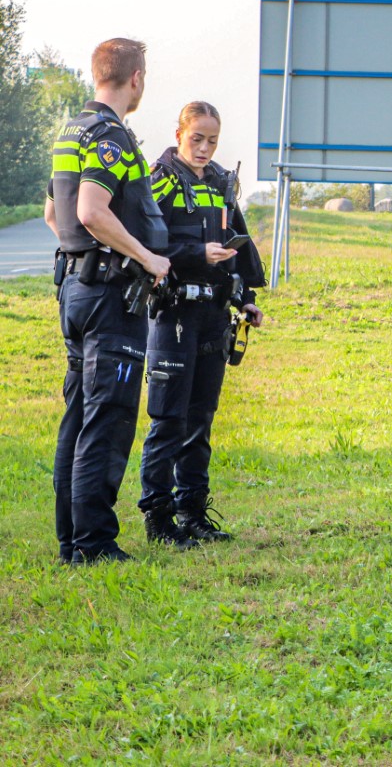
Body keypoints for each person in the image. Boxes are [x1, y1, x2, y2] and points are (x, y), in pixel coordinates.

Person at [44, 38, 170, 564]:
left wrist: (85, 258)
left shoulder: (72, 129)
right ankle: (93, 545)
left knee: (79, 414)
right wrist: (146, 257)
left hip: (77, 287)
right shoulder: (112, 136)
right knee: (109, 417)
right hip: (110, 298)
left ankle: (72, 539)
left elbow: (55, 214)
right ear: (136, 78)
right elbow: (94, 211)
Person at [137, 102, 265, 546]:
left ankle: (193, 511)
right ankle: (158, 518)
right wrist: (195, 254)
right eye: (197, 138)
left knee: (201, 420)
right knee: (168, 419)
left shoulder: (221, 182)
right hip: (173, 313)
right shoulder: (160, 180)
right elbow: (144, 242)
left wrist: (247, 299)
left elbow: (240, 246)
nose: (205, 148)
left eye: (212, 140)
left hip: (214, 314)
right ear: (179, 133)